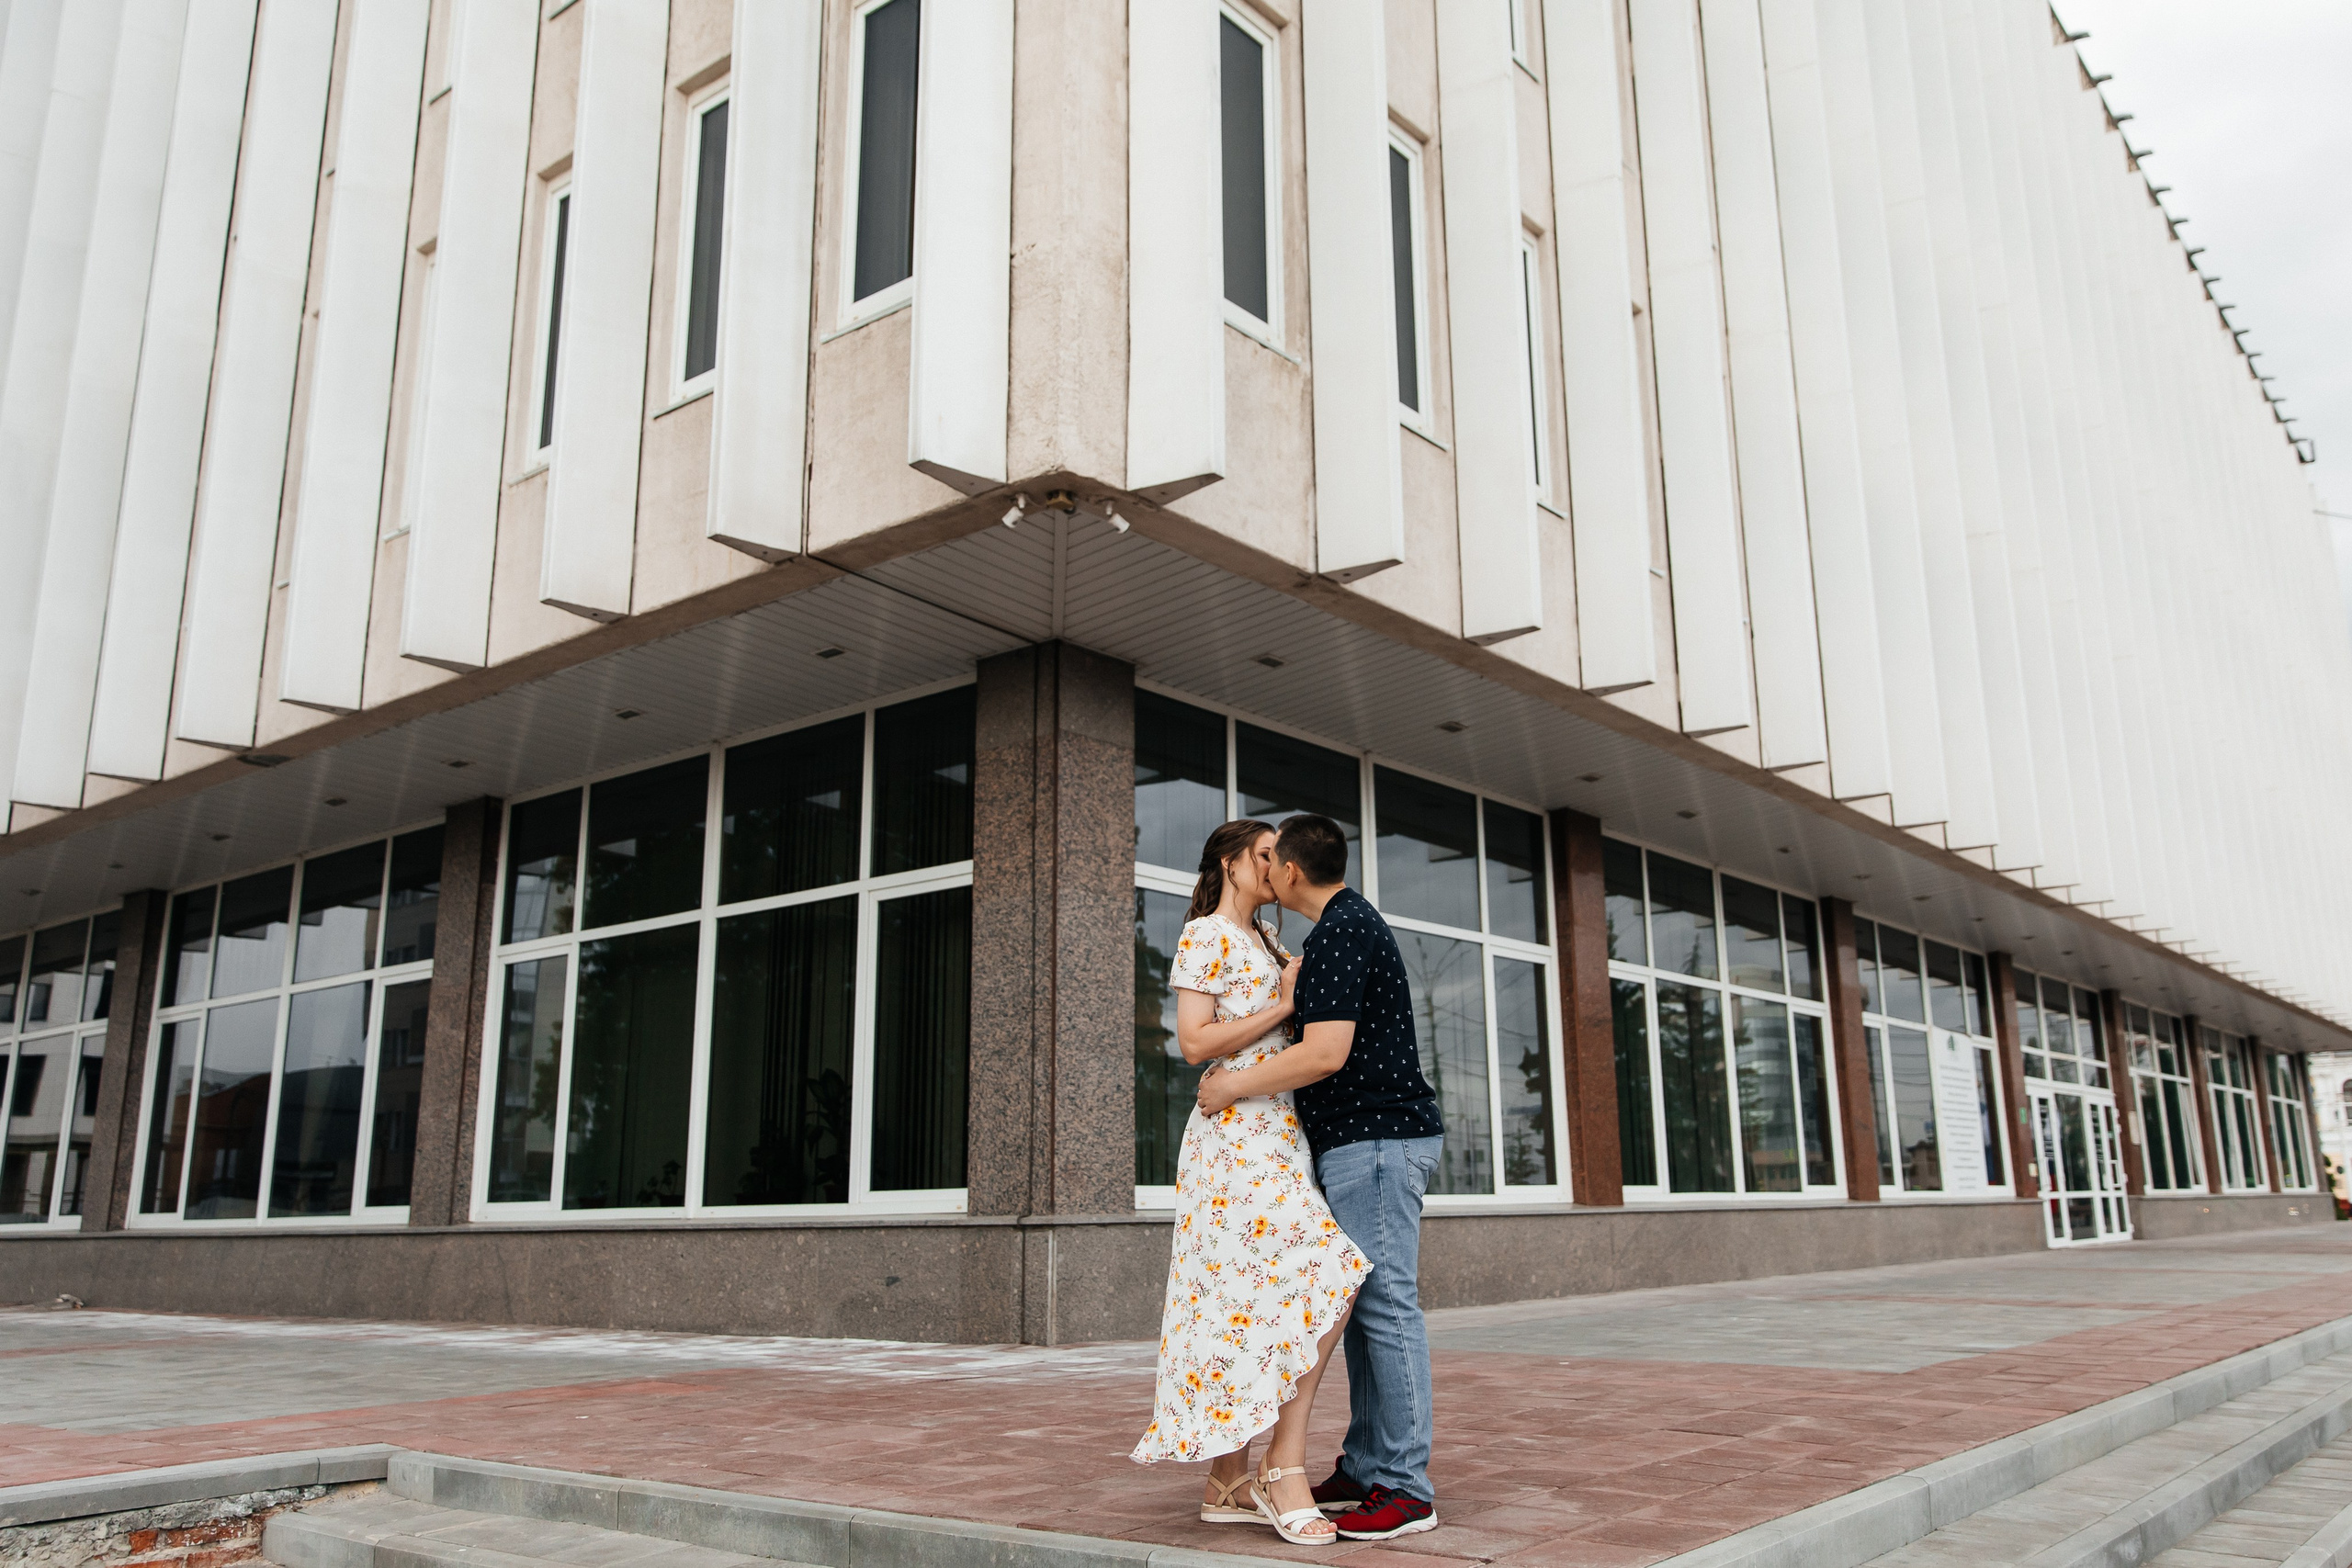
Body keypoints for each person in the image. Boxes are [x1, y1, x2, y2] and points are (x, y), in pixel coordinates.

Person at [1194, 812, 1442, 1540]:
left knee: (1387, 1303)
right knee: (1361, 1304)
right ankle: (1368, 1465)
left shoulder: (1338, 931)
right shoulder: (1339, 927)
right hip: (1364, 1144)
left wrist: (1230, 1088)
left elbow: (1326, 1053)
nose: (1265, 869)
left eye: (1273, 859)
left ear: (1291, 873)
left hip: (1376, 1142)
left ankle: (1406, 1485)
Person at [1131, 818, 1369, 1548]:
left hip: (1279, 1130)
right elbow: (1193, 1042)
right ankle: (1278, 1468)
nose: (1276, 864)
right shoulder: (1206, 933)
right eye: (1264, 854)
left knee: (1253, 1293)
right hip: (1232, 1138)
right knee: (1327, 1267)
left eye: (1280, 855)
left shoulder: (1270, 941)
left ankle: (1227, 1479)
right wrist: (1285, 1005)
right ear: (1232, 864)